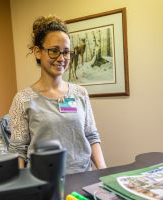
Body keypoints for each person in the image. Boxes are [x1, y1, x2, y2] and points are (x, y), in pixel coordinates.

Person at [8, 15, 107, 174]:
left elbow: (91, 136)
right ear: (38, 52)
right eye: (54, 51)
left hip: (83, 179)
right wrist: (20, 188)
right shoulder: (23, 99)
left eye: (66, 52)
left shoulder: (80, 93)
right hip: (44, 184)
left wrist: (104, 173)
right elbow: (18, 151)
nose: (61, 58)